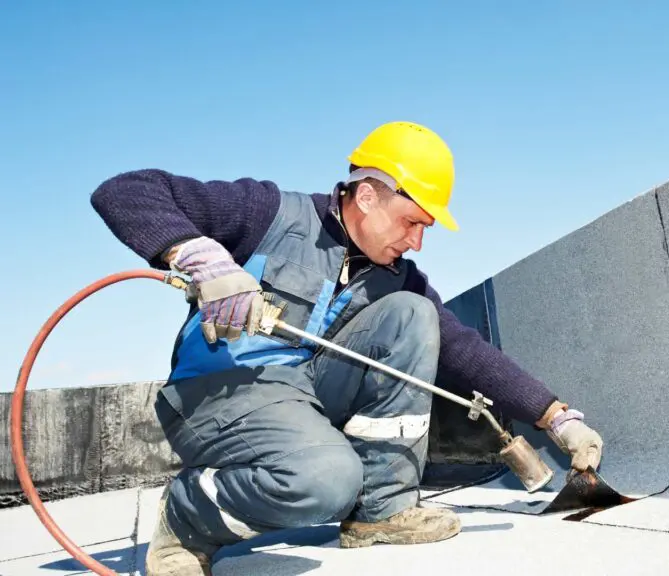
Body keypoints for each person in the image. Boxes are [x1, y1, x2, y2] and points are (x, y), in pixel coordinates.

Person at [90, 121, 604, 576]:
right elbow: (125, 191)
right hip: (219, 392)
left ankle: (381, 510)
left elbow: (464, 351)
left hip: (304, 393)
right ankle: (186, 517)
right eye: (413, 222)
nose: (417, 242)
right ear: (367, 197)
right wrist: (201, 255)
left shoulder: (397, 277)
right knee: (326, 480)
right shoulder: (268, 213)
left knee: (414, 314)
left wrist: (554, 417)